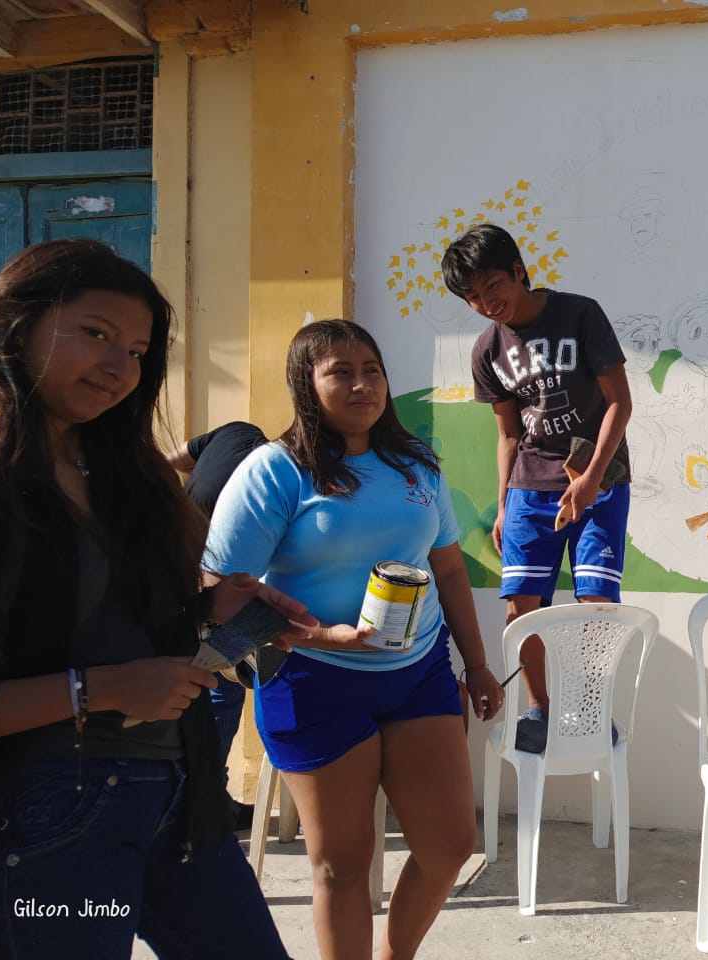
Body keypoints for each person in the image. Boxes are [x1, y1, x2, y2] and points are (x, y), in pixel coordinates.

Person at [0, 238, 316, 959]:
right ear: (16, 323)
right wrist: (96, 689)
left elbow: (109, 618)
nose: (118, 366)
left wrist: (211, 609)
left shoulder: (124, 473)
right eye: (95, 333)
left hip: (180, 800)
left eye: (136, 351)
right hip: (47, 818)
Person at [202, 319, 502, 960]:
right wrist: (316, 634)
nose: (362, 384)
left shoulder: (416, 465)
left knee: (449, 844)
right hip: (311, 679)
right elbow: (220, 590)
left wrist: (477, 664)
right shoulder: (275, 471)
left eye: (372, 370)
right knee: (342, 865)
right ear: (305, 384)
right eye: (340, 372)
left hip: (417, 672)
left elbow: (449, 569)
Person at [441, 223, 633, 754]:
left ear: (519, 270)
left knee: (596, 602)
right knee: (521, 606)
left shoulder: (580, 314)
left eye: (493, 286)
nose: (488, 303)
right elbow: (508, 434)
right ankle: (541, 710)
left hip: (600, 478)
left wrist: (592, 478)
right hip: (530, 485)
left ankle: (591, 710)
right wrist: (505, 505)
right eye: (474, 297)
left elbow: (620, 402)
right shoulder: (487, 350)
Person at [168, 420, 269, 827]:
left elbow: (171, 459)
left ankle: (201, 797)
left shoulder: (234, 433)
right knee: (219, 688)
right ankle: (203, 801)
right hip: (207, 584)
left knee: (201, 688)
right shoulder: (281, 474)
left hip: (171, 567)